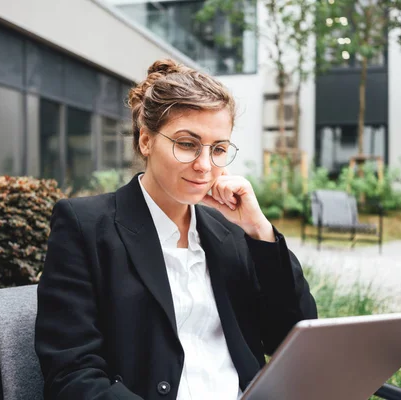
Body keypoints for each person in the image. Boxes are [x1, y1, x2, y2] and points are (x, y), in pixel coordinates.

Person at [35, 59, 317, 400]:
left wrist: (259, 231)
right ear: (145, 141)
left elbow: (291, 337)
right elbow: (72, 375)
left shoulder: (228, 232)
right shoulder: (86, 227)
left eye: (219, 149)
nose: (204, 165)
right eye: (187, 144)